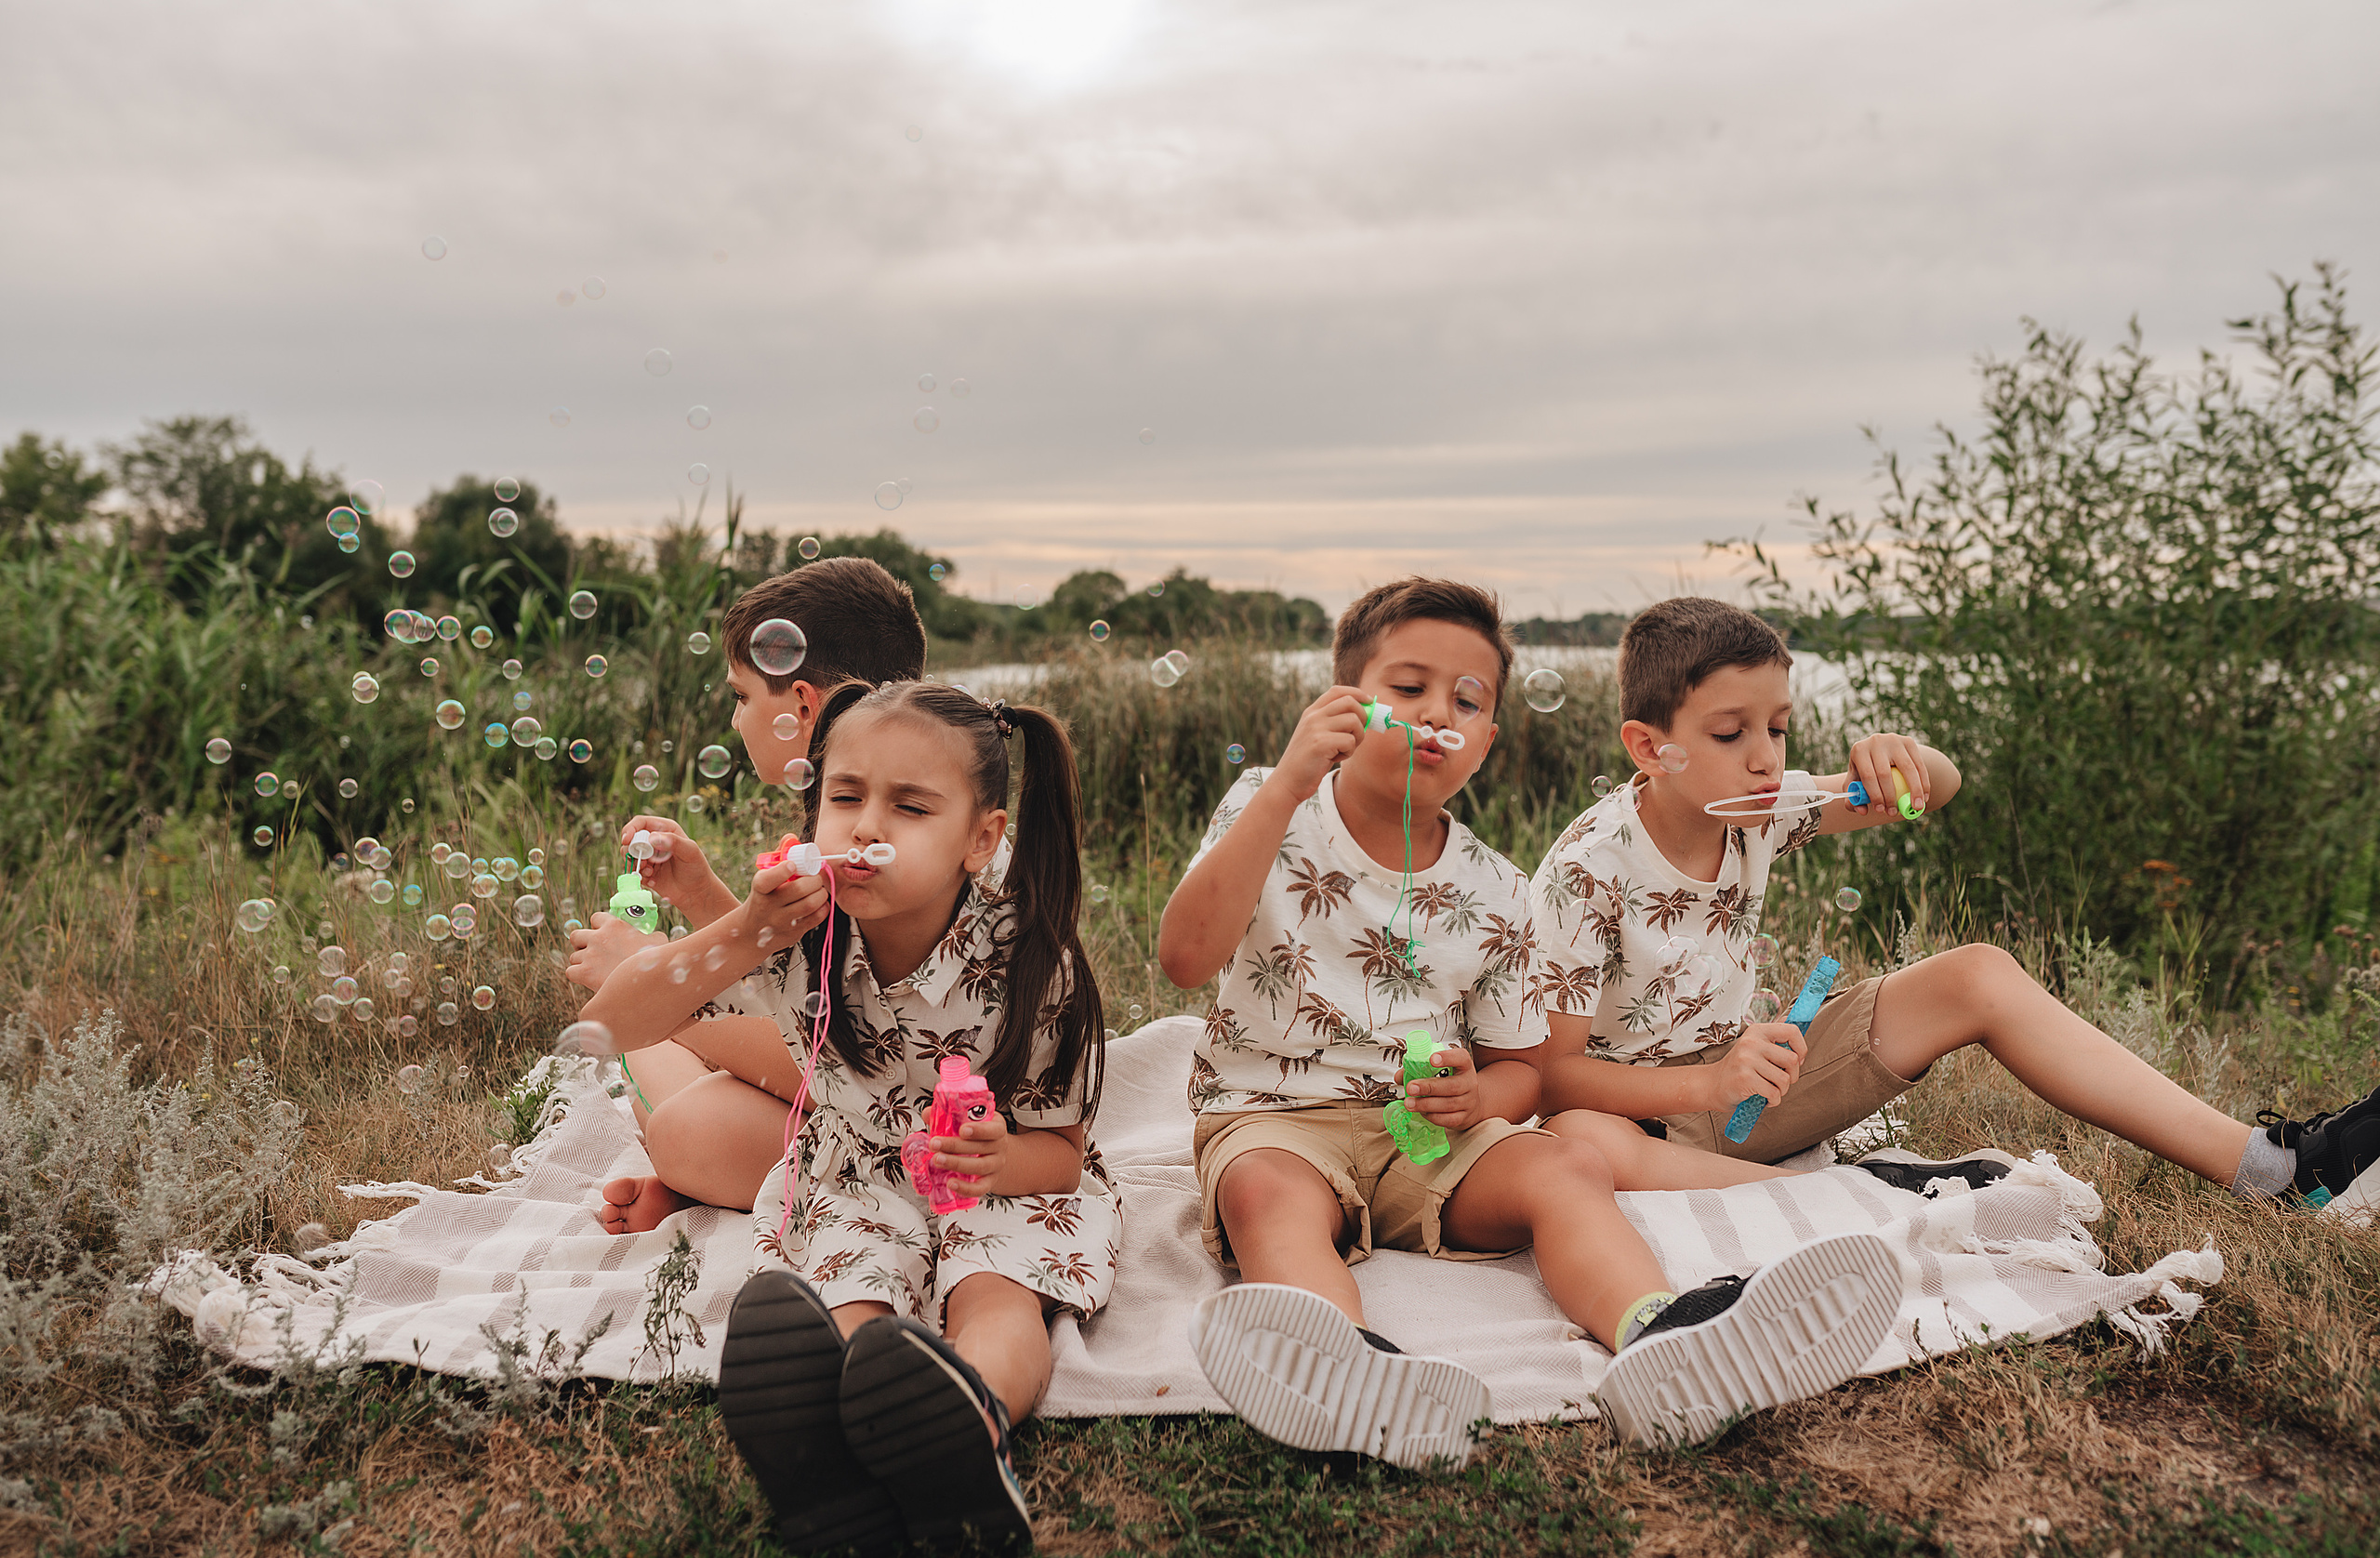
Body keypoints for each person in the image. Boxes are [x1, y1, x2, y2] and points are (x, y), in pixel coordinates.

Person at [1159, 577, 1902, 1468]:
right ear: (1345, 703)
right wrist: (1286, 782)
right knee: (1264, 1194)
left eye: (1467, 700)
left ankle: (1662, 1338)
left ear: (1487, 743)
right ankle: (1341, 1369)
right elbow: (1184, 958)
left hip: (1418, 1136)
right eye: (1408, 688)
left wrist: (1477, 1097)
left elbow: (1525, 1074)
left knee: (1563, 1166)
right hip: (1273, 1117)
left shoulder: (1498, 889)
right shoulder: (1267, 808)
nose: (1438, 713)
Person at [1528, 596, 2380, 1210]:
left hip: (1752, 1091)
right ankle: (1842, 1198)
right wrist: (1707, 1083)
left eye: (1778, 727)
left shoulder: (1765, 810)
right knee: (1573, 1135)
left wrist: (1906, 756)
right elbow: (1550, 1073)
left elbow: (1932, 791)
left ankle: (2276, 1169)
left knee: (1977, 973)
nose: (1764, 757)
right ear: (1650, 747)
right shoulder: (1590, 870)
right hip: (1647, 1127)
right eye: (1730, 733)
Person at [578, 680, 1116, 1553]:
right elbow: (616, 1021)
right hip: (854, 1176)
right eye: (845, 797)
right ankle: (835, 1458)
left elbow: (1059, 1153)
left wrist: (996, 1163)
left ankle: (967, 1424)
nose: (867, 827)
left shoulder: (1032, 962)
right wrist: (737, 925)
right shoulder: (798, 930)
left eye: (909, 807)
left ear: (981, 840)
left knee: (996, 1295)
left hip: (998, 1186)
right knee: (853, 1304)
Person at [563, 557, 935, 1233]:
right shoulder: (919, 817)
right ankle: (698, 1181)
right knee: (690, 1062)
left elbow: (809, 1061)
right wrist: (705, 896)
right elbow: (801, 981)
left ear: (801, 706)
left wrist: (661, 978)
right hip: (896, 1105)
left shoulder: (852, 854)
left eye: (740, 696)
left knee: (682, 1118)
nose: (734, 721)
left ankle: (694, 1180)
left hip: (897, 1144)